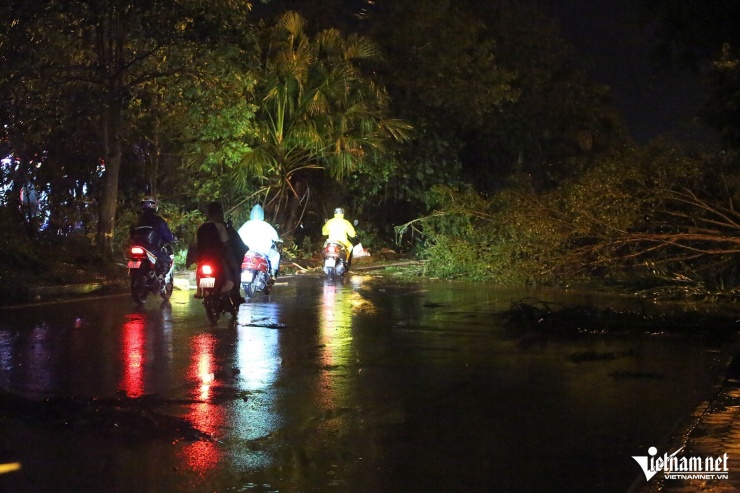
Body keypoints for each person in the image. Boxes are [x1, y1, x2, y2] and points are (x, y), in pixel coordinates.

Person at [193, 202, 239, 299]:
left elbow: (196, 244)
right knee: (234, 266)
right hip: (217, 257)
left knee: (199, 269)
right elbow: (226, 242)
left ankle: (199, 290)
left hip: (203, 258)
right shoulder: (220, 226)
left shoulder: (201, 227)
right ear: (219, 213)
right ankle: (230, 284)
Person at [129, 196, 175, 276]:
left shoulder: (136, 220)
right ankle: (161, 275)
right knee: (166, 258)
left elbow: (132, 234)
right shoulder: (158, 220)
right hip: (152, 249)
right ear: (154, 206)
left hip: (137, 248)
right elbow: (167, 235)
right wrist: (173, 238)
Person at [237, 204, 281, 277]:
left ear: (251, 214)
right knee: (276, 255)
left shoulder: (245, 225)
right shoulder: (266, 225)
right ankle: (273, 274)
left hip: (246, 252)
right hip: (263, 252)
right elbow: (275, 237)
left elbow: (237, 236)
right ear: (262, 215)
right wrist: (279, 239)